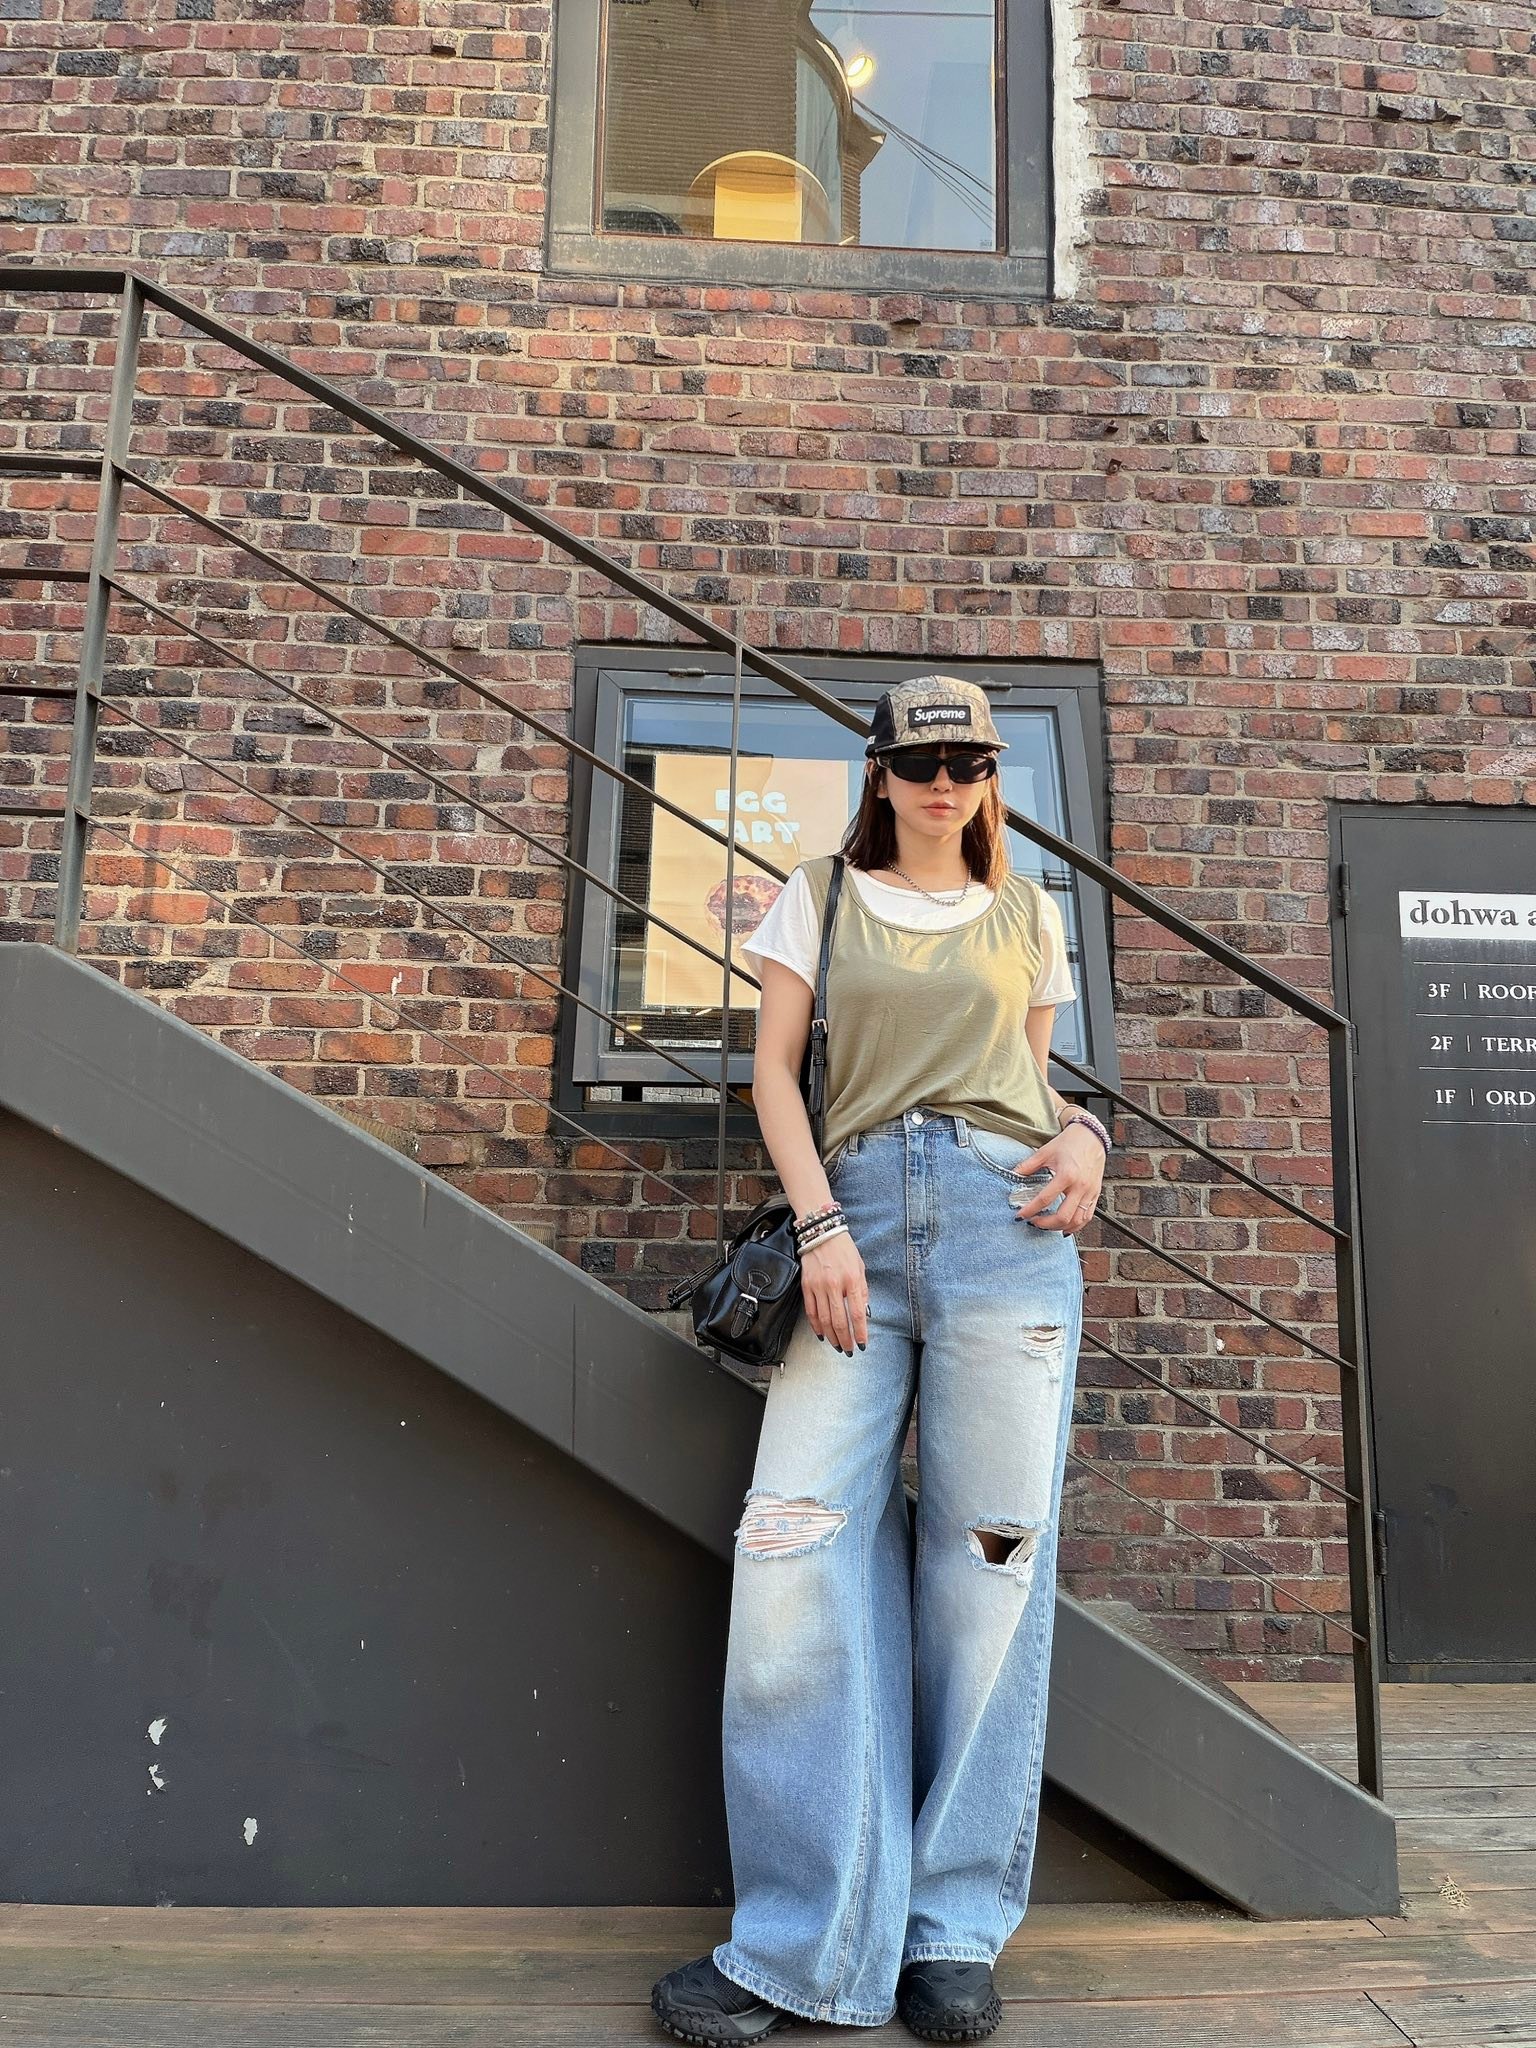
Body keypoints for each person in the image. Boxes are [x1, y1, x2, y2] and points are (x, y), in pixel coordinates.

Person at [651, 676, 1109, 2044]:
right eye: (920, 763)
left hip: (1007, 1238)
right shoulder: (819, 896)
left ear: (990, 776)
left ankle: (950, 1931)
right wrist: (820, 1225)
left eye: (967, 762)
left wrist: (1091, 1138)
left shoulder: (1030, 913)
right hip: (850, 1229)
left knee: (989, 1568)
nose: (943, 783)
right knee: (793, 1550)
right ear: (882, 774)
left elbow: (1033, 1084)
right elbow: (774, 1074)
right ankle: (804, 1942)